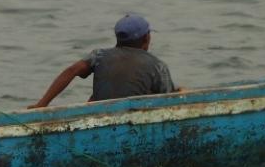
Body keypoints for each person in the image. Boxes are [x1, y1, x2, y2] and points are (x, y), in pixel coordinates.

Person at [28, 13, 178, 108]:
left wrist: (42, 104)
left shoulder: (98, 55)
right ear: (147, 38)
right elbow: (170, 102)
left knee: (94, 99)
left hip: (100, 114)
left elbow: (71, 71)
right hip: (133, 118)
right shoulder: (157, 66)